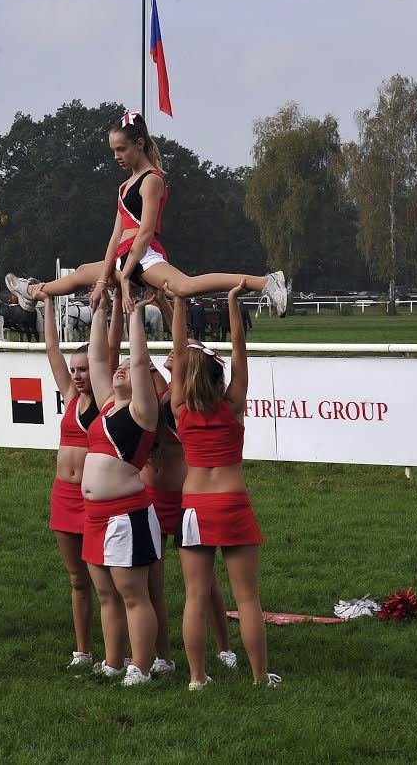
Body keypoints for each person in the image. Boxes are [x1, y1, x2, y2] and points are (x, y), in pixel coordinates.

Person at [4, 112, 290, 317]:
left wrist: (125, 276)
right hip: (123, 256)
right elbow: (116, 236)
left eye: (121, 149)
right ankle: (32, 292)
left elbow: (145, 232)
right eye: (113, 150)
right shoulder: (123, 186)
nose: (116, 155)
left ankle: (266, 282)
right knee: (81, 274)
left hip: (141, 256)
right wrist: (104, 280)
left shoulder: (152, 180)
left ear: (139, 144)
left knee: (184, 286)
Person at [167, 279, 281, 690]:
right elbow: (238, 347)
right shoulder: (233, 406)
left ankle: (197, 678)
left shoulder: (179, 407)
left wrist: (178, 302)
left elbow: (179, 351)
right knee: (247, 598)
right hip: (231, 501)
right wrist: (233, 302)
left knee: (196, 596)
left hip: (194, 504)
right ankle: (258, 676)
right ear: (220, 380)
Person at [142, 293, 237, 677]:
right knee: (154, 577)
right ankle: (163, 654)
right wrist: (158, 305)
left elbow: (181, 345)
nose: (168, 358)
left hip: (186, 497)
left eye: (174, 358)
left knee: (204, 581)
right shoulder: (156, 389)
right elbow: (154, 349)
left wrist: (173, 305)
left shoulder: (188, 400)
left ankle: (224, 646)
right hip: (152, 494)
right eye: (166, 358)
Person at [81, 290, 161, 686]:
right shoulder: (109, 403)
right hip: (94, 515)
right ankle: (113, 661)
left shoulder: (141, 411)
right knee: (106, 594)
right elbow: (97, 358)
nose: (121, 369)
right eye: (121, 366)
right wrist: (98, 310)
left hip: (125, 515)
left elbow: (142, 361)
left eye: (127, 368)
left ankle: (140, 667)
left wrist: (133, 313)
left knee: (132, 594)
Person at [41, 293, 108, 668]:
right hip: (62, 496)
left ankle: (119, 651)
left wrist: (102, 306)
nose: (79, 376)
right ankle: (82, 651)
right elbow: (51, 348)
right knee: (77, 580)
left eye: (84, 369)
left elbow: (106, 351)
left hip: (94, 498)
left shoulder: (104, 401)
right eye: (75, 369)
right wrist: (49, 300)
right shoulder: (69, 396)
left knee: (106, 583)